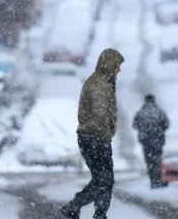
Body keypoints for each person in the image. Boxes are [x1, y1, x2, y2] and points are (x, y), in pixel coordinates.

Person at [60, 48, 125, 219]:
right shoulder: (99, 85)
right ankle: (93, 212)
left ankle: (80, 208)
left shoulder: (100, 82)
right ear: (109, 64)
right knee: (104, 179)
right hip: (95, 138)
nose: (119, 70)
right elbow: (100, 113)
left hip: (92, 137)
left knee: (101, 179)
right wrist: (104, 137)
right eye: (117, 66)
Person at [133, 94, 170, 189]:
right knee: (157, 160)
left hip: (145, 141)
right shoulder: (160, 111)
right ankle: (158, 179)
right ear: (154, 100)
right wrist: (158, 130)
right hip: (157, 139)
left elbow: (134, 125)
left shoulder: (140, 112)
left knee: (149, 161)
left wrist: (144, 130)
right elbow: (166, 124)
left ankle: (153, 181)